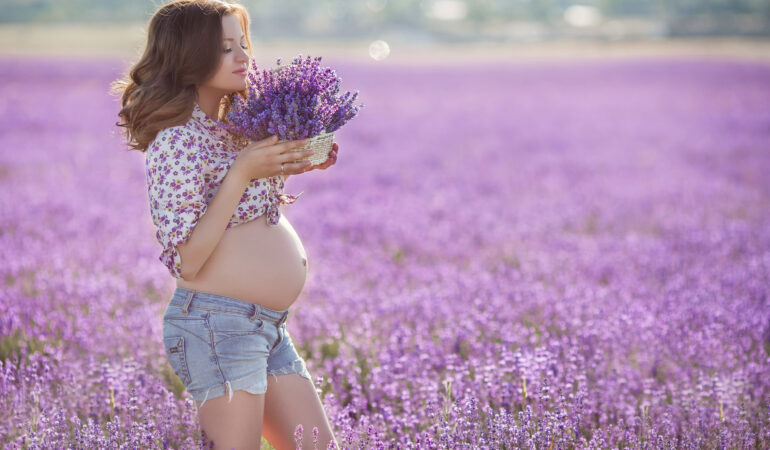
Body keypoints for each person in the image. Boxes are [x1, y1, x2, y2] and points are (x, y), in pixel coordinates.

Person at [111, 1, 339, 448]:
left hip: (267, 324)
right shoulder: (176, 141)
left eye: (243, 44)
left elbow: (246, 212)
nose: (243, 57)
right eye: (224, 47)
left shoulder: (235, 129)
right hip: (216, 325)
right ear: (188, 58)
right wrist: (243, 171)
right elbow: (188, 262)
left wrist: (297, 163)